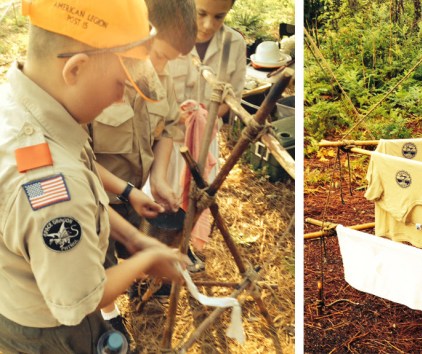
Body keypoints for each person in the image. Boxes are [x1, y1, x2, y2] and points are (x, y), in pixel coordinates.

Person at [0, 1, 188, 352]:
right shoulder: (53, 186)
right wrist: (148, 260)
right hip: (50, 333)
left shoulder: (28, 105)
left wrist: (133, 238)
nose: (122, 96)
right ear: (75, 70)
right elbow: (81, 298)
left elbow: (90, 186)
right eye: (120, 83)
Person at [88, 0, 197, 343]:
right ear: (139, 35)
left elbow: (169, 129)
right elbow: (77, 156)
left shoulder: (159, 74)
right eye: (160, 55)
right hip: (97, 195)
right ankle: (109, 315)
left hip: (134, 191)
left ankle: (137, 283)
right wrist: (125, 191)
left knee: (134, 242)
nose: (161, 67)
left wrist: (159, 178)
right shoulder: (97, 77)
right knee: (99, 260)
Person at [168, 0, 246, 261]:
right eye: (201, 14)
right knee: (167, 192)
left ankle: (185, 246)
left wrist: (204, 117)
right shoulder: (169, 36)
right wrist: (178, 117)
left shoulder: (234, 44)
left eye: (219, 17)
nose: (207, 25)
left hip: (207, 135)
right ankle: (162, 247)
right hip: (170, 137)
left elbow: (232, 96)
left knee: (198, 194)